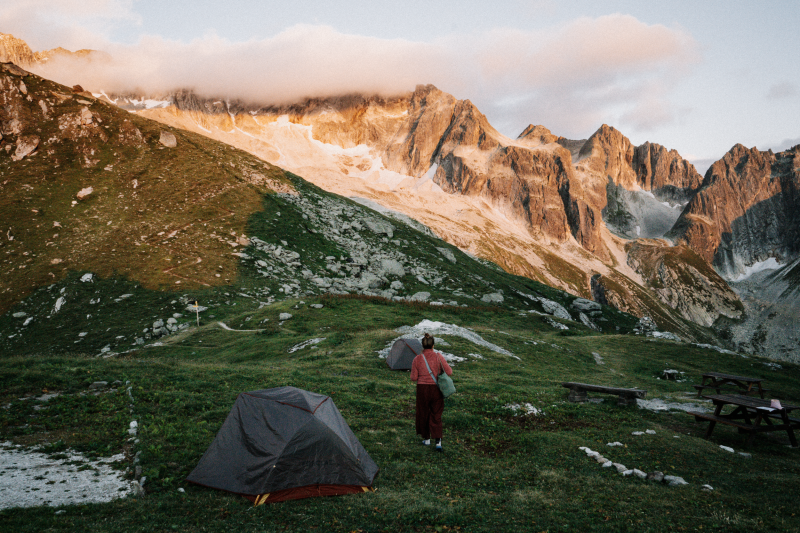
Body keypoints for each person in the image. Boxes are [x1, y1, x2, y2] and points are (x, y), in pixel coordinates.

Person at [410, 333, 453, 452]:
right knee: (436, 414)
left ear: (422, 346)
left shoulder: (417, 359)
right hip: (436, 389)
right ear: (433, 345)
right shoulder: (438, 357)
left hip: (422, 389)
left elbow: (413, 377)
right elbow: (449, 371)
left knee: (423, 412)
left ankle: (426, 439)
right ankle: (438, 442)